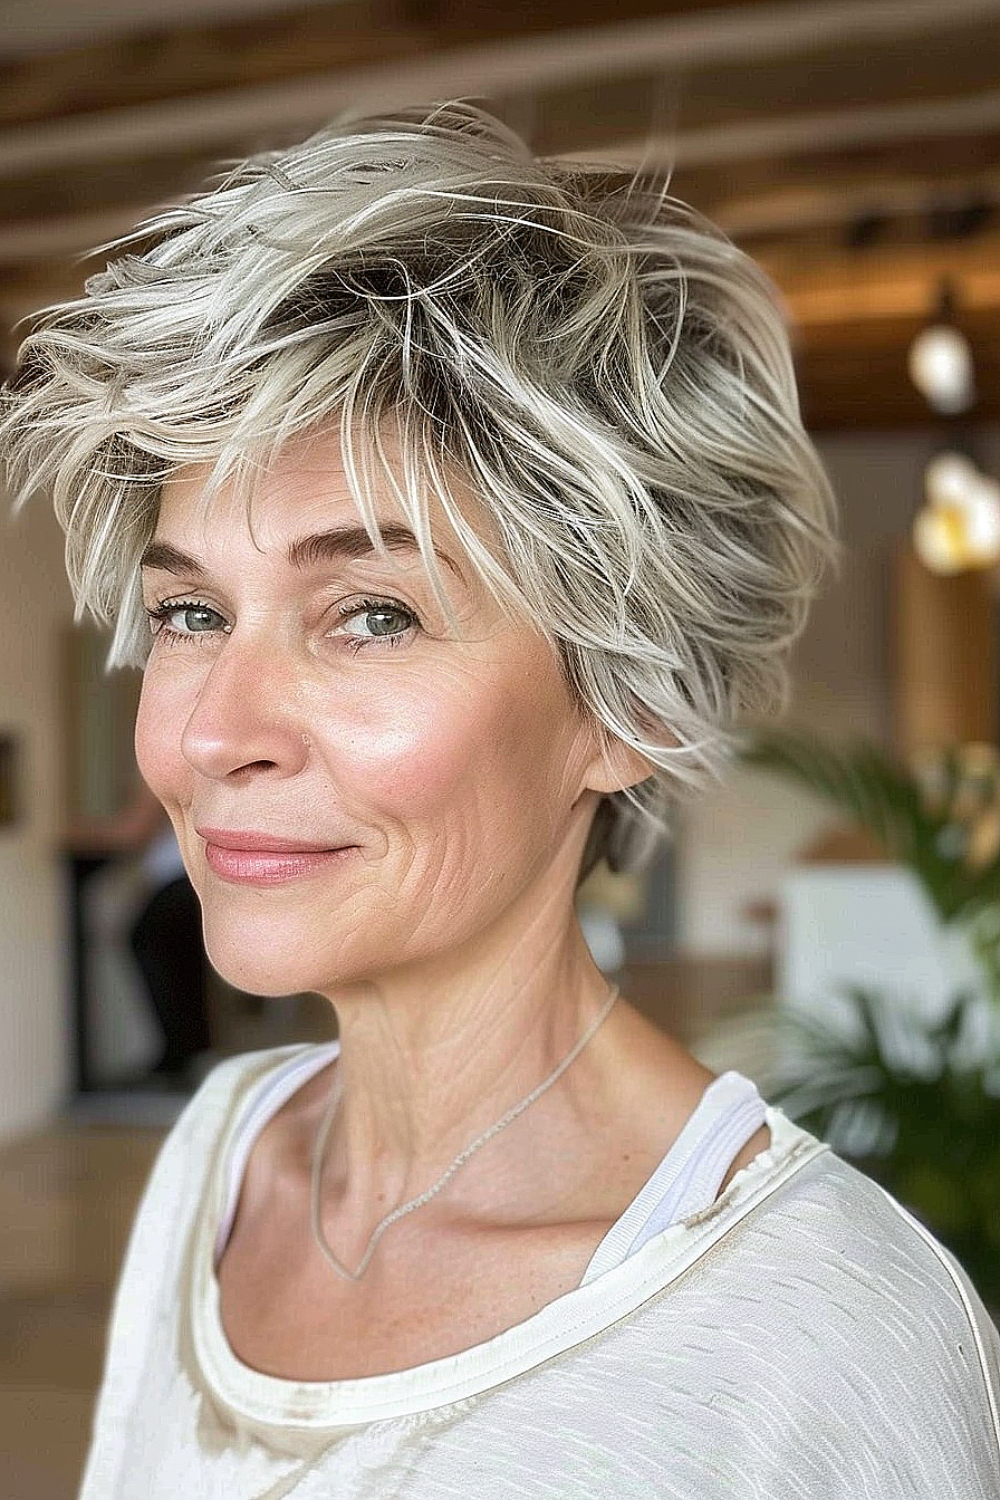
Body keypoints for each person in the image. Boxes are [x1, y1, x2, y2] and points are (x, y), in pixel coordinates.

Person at [2, 103, 997, 1498]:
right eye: (188, 612)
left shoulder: (820, 1333)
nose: (215, 731)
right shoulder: (217, 1161)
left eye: (373, 617)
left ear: (628, 706)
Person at [64, 781, 212, 1084]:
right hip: (191, 880)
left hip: (180, 879)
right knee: (180, 960)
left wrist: (76, 832)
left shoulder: (161, 767)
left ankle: (179, 1055)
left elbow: (133, 833)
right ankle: (185, 1053)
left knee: (147, 942)